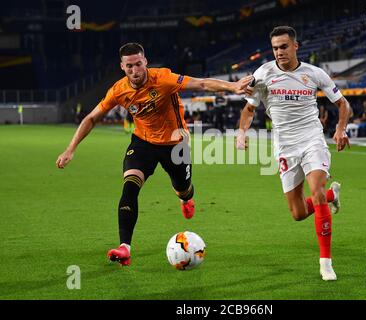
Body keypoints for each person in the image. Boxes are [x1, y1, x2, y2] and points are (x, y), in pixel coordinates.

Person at [56, 43, 253, 266]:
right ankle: (125, 248)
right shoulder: (118, 90)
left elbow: (202, 83)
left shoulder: (164, 79)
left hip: (175, 144)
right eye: (129, 66)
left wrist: (233, 86)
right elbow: (91, 118)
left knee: (184, 188)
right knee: (130, 186)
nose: (135, 70)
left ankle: (185, 199)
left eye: (138, 64)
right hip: (143, 144)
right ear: (122, 66)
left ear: (145, 62)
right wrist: (70, 149)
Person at [236, 26, 351, 281]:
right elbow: (249, 109)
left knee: (316, 193)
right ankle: (332, 194)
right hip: (285, 147)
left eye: (284, 46)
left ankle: (326, 263)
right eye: (275, 48)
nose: (279, 52)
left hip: (312, 140)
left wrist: (341, 128)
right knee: (298, 213)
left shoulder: (315, 74)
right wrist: (242, 133)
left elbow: (343, 104)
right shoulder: (263, 73)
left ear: (295, 46)